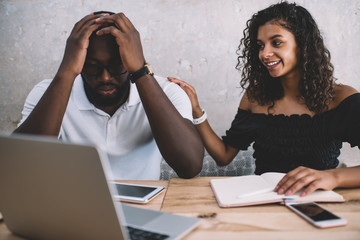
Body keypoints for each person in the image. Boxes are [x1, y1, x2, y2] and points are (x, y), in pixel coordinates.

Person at [169, 2, 360, 196]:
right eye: (260, 46)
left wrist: (333, 177)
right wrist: (196, 109)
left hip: (316, 202)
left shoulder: (340, 98)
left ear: (302, 45)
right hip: (263, 202)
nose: (264, 54)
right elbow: (223, 156)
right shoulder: (255, 97)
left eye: (276, 42)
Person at [14, 11, 204, 180]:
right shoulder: (47, 92)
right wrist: (66, 72)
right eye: (92, 66)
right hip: (71, 210)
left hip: (145, 207)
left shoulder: (167, 92)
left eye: (116, 65)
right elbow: (19, 166)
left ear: (131, 60)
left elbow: (189, 166)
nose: (105, 77)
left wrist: (140, 71)